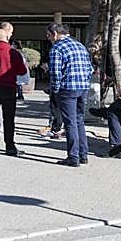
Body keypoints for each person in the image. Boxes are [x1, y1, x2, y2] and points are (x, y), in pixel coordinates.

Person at [47, 22, 93, 167]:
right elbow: (90, 69)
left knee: (70, 123)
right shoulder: (80, 46)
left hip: (67, 89)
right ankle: (83, 154)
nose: (49, 39)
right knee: (79, 121)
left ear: (55, 34)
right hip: (83, 87)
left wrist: (55, 90)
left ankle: (73, 157)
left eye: (49, 36)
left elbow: (55, 73)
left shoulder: (57, 48)